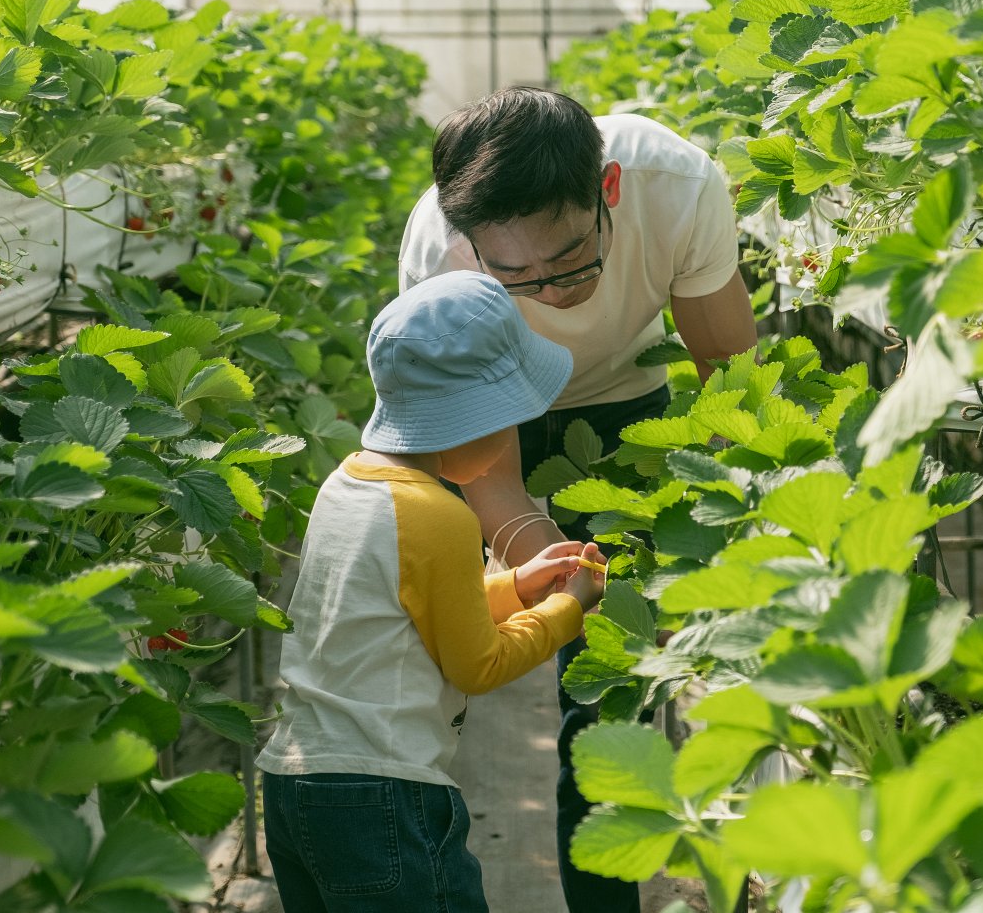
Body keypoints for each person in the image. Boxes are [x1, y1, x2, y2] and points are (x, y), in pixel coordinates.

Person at [399, 87, 757, 912]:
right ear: (470, 245)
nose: (553, 293)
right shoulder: (437, 256)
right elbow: (482, 462)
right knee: (590, 671)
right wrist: (556, 573)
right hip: (501, 413)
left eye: (572, 262)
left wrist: (733, 545)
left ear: (611, 192)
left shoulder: (677, 183)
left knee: (610, 697)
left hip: (631, 407)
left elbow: (728, 376)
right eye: (516, 276)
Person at [256, 271, 607, 913]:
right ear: (468, 419)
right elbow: (478, 663)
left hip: (294, 782)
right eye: (510, 423)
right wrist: (567, 608)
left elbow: (402, 611)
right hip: (384, 798)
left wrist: (517, 586)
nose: (513, 445)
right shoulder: (444, 518)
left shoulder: (347, 486)